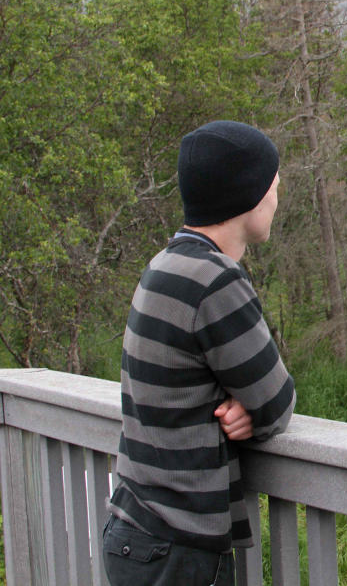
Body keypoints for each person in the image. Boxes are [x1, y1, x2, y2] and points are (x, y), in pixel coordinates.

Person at [102, 120, 296, 585]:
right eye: (273, 184)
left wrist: (239, 409)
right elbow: (276, 401)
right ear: (245, 195)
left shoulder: (162, 266)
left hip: (134, 530)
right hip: (178, 549)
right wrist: (252, 412)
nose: (276, 196)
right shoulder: (216, 281)